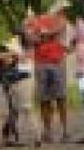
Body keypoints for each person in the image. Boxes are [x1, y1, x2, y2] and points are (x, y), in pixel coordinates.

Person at [25, 13, 70, 143]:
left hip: (57, 60)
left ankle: (65, 130)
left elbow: (61, 26)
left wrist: (43, 34)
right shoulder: (32, 18)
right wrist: (48, 35)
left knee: (61, 97)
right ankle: (47, 131)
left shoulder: (56, 13)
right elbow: (29, 38)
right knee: (44, 99)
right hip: (40, 62)